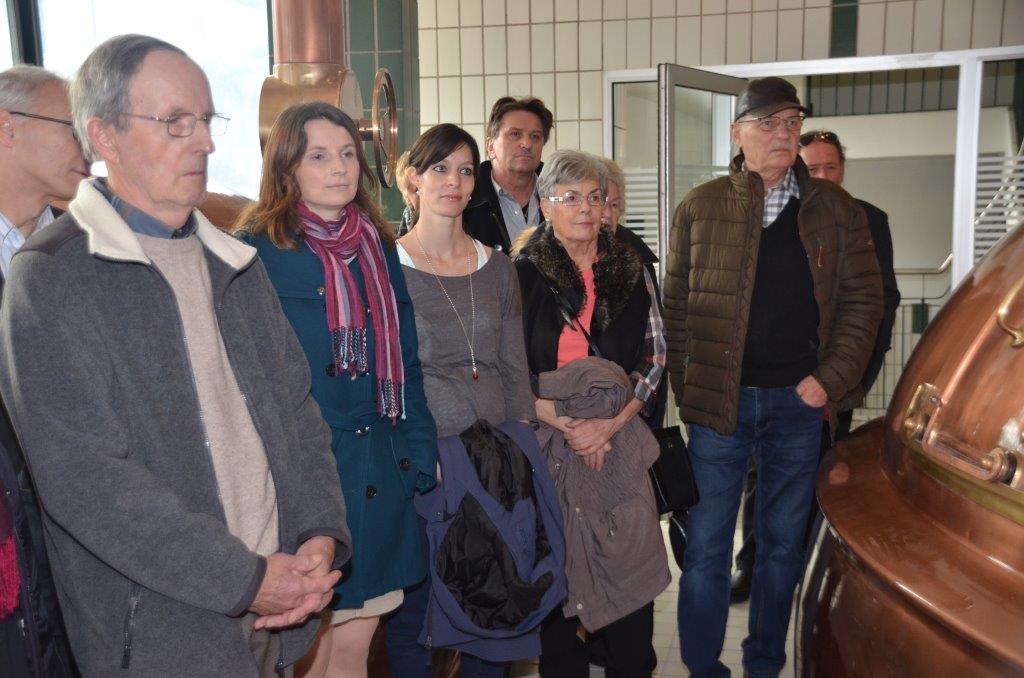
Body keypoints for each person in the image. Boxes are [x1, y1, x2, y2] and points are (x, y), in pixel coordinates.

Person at [0, 34, 351, 677]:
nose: (205, 143)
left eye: (208, 120)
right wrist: (246, 579)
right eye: (176, 122)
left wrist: (318, 536)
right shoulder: (52, 275)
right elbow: (88, 482)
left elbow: (299, 416)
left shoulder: (234, 260)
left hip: (276, 610)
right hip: (160, 631)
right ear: (104, 136)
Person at [663, 77, 883, 677]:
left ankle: (764, 664)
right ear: (738, 134)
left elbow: (865, 302)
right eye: (769, 123)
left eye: (792, 122)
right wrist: (691, 392)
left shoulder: (836, 210)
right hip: (720, 408)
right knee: (706, 549)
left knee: (783, 547)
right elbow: (675, 309)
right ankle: (703, 668)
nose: (783, 133)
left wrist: (830, 379)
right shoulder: (701, 206)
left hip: (798, 406)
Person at [236, 101, 438, 678]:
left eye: (348, 153)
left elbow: (407, 360)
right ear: (287, 167)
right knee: (306, 654)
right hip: (306, 484)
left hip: (381, 470)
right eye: (319, 156)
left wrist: (418, 453)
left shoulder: (377, 245)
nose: (340, 167)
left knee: (355, 649)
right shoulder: (254, 250)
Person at [387, 122, 559, 676]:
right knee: (419, 616)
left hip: (495, 461)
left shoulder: (498, 266)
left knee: (495, 603)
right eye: (439, 169)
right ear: (413, 179)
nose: (454, 182)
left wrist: (522, 450)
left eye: (464, 170)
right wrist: (419, 453)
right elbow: (390, 376)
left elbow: (514, 367)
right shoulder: (387, 268)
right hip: (430, 464)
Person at [729, 129, 903, 603]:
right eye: (814, 167)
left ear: (843, 170)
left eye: (831, 166)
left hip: (834, 377)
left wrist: (854, 375)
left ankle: (811, 572)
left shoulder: (866, 218)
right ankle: (752, 566)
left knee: (824, 474)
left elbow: (881, 303)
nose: (823, 175)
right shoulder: (775, 213)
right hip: (775, 377)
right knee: (760, 474)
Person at [515, 149, 670, 677]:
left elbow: (655, 357)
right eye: (571, 197)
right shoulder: (519, 274)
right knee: (556, 585)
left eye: (595, 197)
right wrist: (558, 419)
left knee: (628, 581)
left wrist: (610, 424)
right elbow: (503, 366)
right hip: (545, 442)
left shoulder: (630, 268)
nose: (585, 208)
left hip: (617, 440)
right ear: (545, 205)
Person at [0, 64, 86, 678]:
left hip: (80, 545)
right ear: (7, 128)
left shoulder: (90, 248)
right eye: (71, 127)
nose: (88, 147)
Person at [463, 96, 552, 252]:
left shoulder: (560, 195)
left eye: (535, 136)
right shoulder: (466, 200)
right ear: (491, 147)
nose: (527, 144)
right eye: (515, 134)